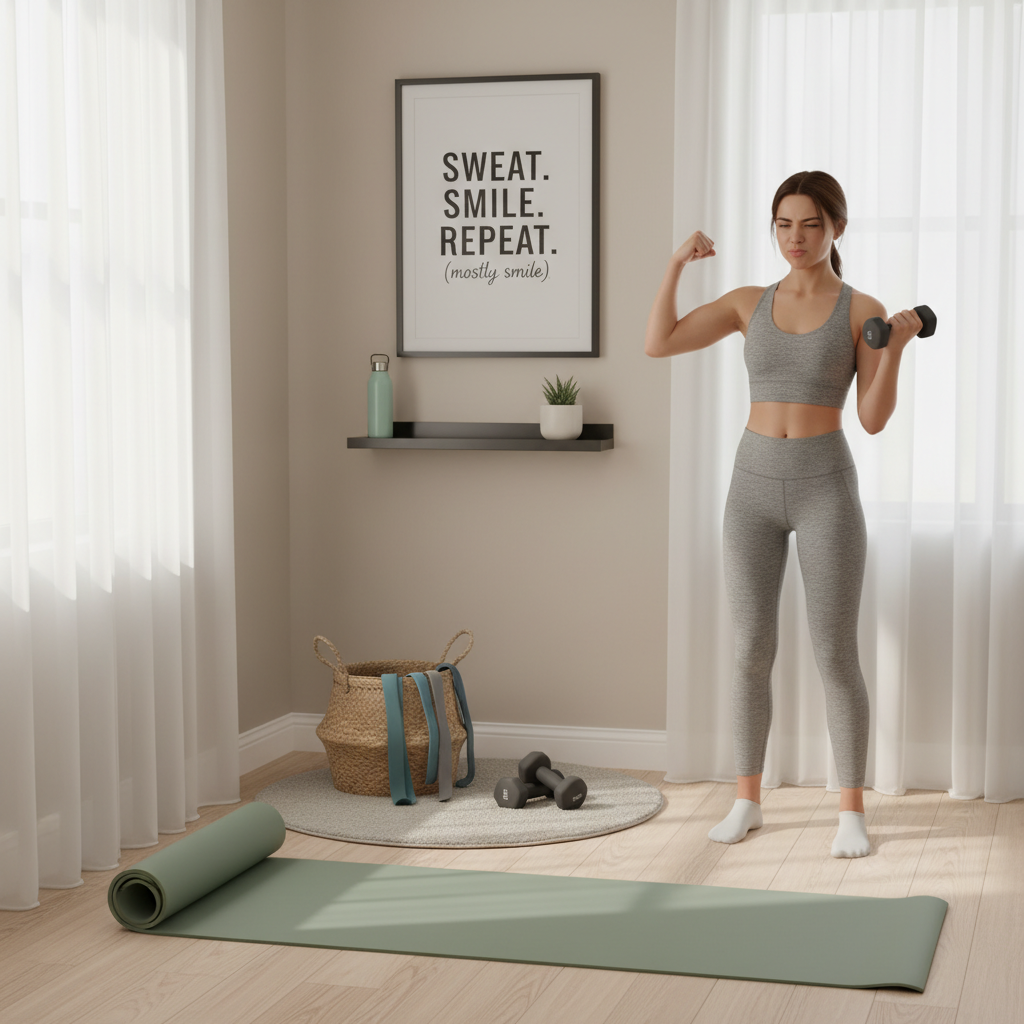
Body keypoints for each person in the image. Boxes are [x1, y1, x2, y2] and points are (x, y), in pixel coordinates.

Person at [645, 170, 923, 859]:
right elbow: (660, 342)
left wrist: (895, 351)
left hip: (827, 488)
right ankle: (747, 800)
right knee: (749, 650)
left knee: (835, 654)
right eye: (783, 224)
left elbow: (872, 418)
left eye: (810, 224)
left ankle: (851, 811)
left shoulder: (862, 310)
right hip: (751, 489)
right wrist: (676, 264)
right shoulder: (749, 302)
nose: (795, 238)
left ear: (837, 228)